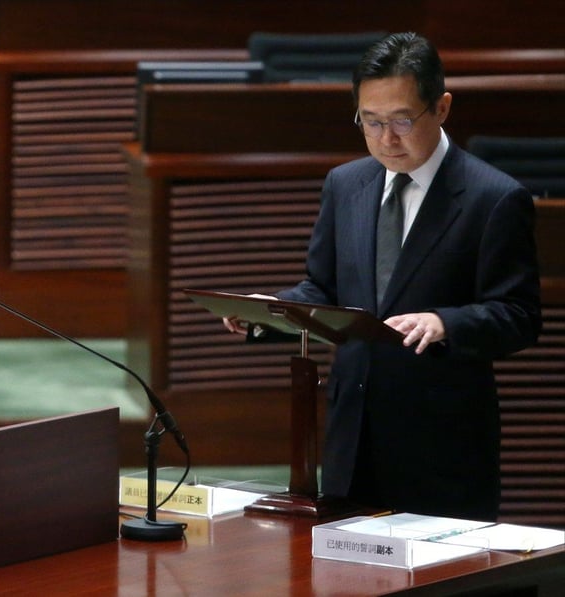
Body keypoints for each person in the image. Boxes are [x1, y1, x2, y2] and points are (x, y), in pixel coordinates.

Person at [222, 32, 541, 521]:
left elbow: (518, 315)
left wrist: (446, 322)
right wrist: (271, 311)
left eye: (401, 121)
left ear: (442, 108)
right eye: (370, 122)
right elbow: (322, 289)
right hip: (353, 435)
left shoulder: (493, 198)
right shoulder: (346, 183)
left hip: (442, 443)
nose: (386, 139)